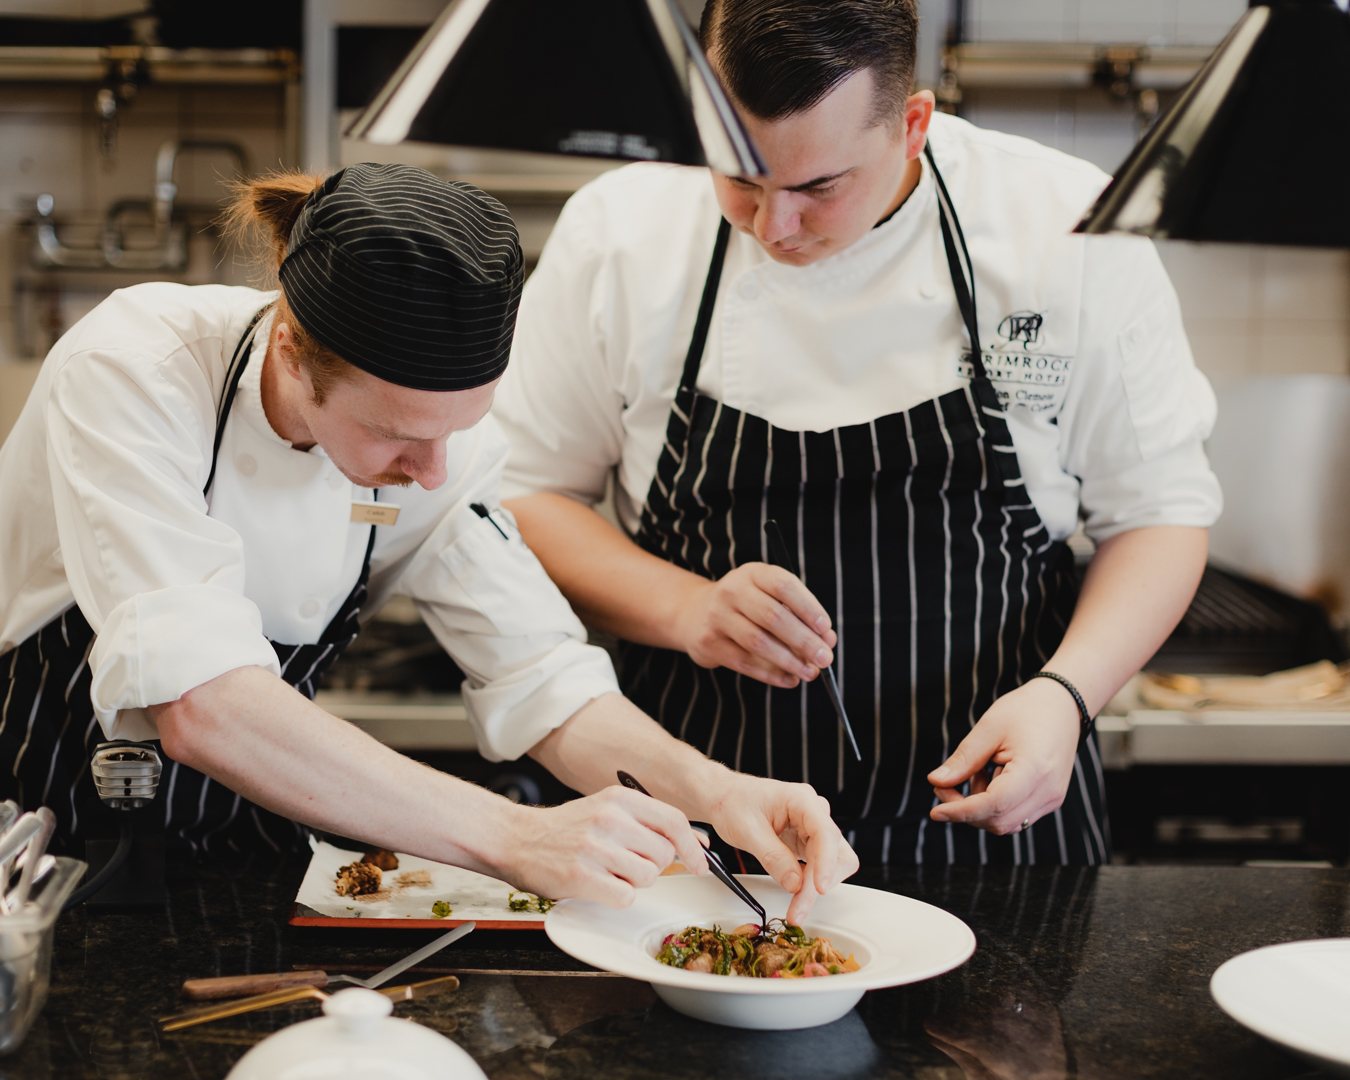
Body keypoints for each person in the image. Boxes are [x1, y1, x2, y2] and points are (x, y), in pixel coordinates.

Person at [0, 162, 854, 919]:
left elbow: (540, 675)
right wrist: (516, 837)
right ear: (293, 352)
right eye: (399, 437)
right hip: (38, 850)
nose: (436, 473)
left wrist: (716, 790)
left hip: (241, 853)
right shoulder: (135, 368)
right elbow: (202, 703)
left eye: (460, 430)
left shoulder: (441, 450)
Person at [493, 0, 1221, 865]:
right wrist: (683, 606)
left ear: (912, 124)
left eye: (816, 187)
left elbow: (1160, 514)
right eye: (740, 179)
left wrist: (1068, 693)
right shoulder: (621, 234)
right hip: (700, 835)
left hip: (995, 828)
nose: (773, 228)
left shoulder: (1063, 225)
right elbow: (522, 494)